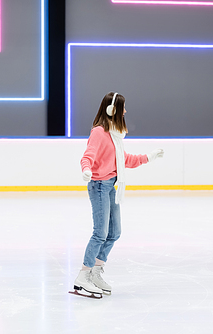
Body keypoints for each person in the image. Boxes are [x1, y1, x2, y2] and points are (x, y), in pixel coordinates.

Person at [72, 92, 164, 297]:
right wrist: (86, 170)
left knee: (114, 232)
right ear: (112, 110)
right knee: (100, 233)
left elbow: (124, 160)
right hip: (98, 185)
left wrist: (148, 157)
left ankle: (96, 271)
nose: (125, 111)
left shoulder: (114, 135)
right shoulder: (98, 132)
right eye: (122, 108)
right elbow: (87, 157)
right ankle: (83, 275)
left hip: (111, 186)